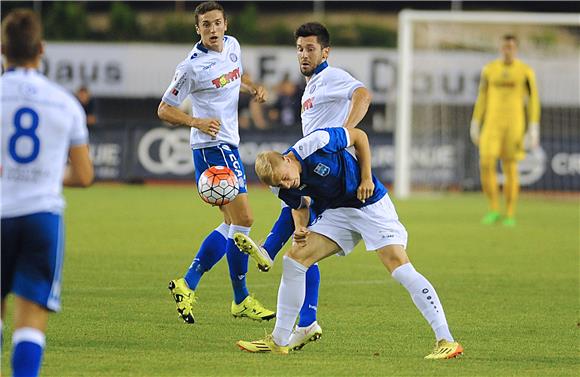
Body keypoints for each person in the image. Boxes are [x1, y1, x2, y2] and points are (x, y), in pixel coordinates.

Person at [235, 127, 463, 359]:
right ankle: (279, 340)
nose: (287, 184)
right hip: (338, 212)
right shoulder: (279, 186)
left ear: (287, 159)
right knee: (295, 260)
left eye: (285, 177)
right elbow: (300, 206)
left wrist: (366, 178)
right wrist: (302, 228)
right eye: (280, 184)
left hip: (369, 204)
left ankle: (446, 339)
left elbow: (359, 137)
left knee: (399, 267)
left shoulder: (317, 143)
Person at [233, 22, 373, 350]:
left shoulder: (331, 77)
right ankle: (305, 321)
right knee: (293, 213)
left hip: (332, 170)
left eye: (310, 48)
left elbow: (363, 95)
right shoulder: (309, 87)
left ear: (325, 52)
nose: (304, 54)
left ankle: (270, 251)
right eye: (299, 48)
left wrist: (343, 134)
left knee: (294, 216)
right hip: (317, 169)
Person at [157, 1, 274, 324]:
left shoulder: (233, 45)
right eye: (205, 25)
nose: (212, 29)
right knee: (245, 220)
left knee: (231, 225)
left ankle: (190, 284)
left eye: (217, 23)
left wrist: (252, 87)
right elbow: (164, 109)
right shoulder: (190, 67)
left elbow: (235, 73)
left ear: (225, 24)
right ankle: (240, 298)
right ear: (197, 29)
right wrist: (196, 122)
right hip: (212, 146)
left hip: (228, 145)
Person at [1, 9, 94, 377]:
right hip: (41, 215)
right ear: (41, 49)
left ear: (4, 49)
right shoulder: (64, 102)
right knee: (31, 317)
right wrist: (41, 175)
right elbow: (85, 175)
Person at [470, 34, 540, 227]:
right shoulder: (490, 70)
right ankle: (493, 209)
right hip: (491, 125)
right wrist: (475, 121)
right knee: (486, 163)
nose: (507, 50)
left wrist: (533, 126)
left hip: (514, 125)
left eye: (511, 47)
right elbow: (482, 97)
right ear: (501, 49)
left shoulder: (525, 71)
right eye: (505, 47)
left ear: (516, 49)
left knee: (510, 166)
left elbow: (533, 100)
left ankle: (509, 213)